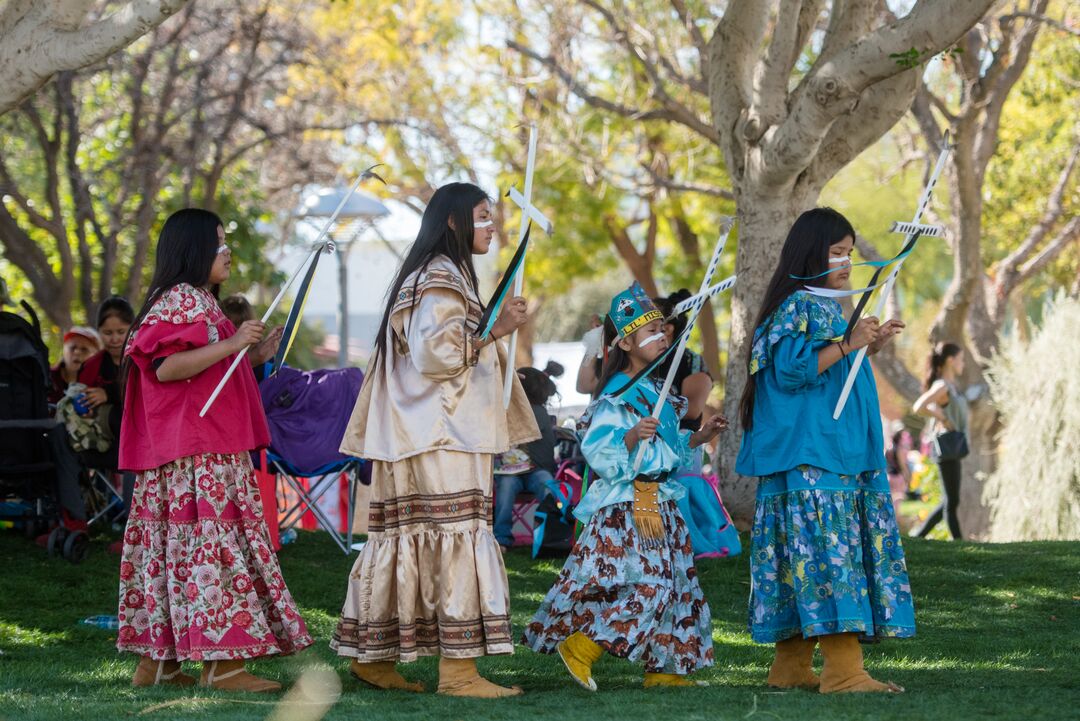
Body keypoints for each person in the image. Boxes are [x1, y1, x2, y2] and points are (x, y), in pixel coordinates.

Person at [330, 182, 538, 698]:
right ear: (453, 222)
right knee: (454, 537)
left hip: (422, 431)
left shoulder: (434, 276)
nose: (492, 227)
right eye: (484, 217)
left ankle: (374, 660)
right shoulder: (440, 278)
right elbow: (436, 356)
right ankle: (459, 672)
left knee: (405, 540)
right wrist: (495, 330)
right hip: (441, 435)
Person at [117, 208, 311, 691]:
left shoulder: (191, 300)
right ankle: (223, 666)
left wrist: (252, 353)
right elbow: (165, 368)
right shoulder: (182, 299)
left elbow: (204, 373)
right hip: (197, 457)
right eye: (219, 243)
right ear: (193, 250)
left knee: (178, 553)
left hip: (191, 451)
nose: (227, 252)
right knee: (211, 550)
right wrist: (232, 345)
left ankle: (158, 664)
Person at [736, 207, 913, 694]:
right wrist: (849, 341)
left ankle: (790, 667)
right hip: (812, 456)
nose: (845, 263)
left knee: (804, 556)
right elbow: (792, 371)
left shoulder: (824, 308)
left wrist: (862, 346)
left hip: (833, 453)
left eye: (850, 254)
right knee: (828, 555)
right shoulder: (797, 304)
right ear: (810, 253)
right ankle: (843, 671)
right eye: (837, 253)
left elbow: (826, 365)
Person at [523, 282, 727, 691]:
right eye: (649, 333)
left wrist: (698, 438)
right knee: (650, 584)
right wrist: (630, 437)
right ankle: (582, 647)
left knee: (678, 584)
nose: (660, 337)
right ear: (626, 343)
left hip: (659, 501)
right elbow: (600, 450)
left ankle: (666, 669)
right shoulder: (617, 394)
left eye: (662, 331)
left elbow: (666, 446)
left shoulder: (656, 390)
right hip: (628, 505)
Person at [493, 366, 559, 551]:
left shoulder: (535, 412)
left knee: (544, 483)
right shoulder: (537, 411)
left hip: (534, 471)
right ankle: (503, 538)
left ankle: (546, 535)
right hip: (517, 472)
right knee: (512, 484)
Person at [911, 342, 968, 540]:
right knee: (952, 501)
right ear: (950, 361)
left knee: (950, 500)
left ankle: (919, 535)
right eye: (961, 359)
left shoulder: (952, 386)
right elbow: (918, 407)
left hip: (954, 445)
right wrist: (943, 418)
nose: (963, 364)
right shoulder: (942, 385)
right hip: (946, 445)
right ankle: (959, 542)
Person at [49, 326, 102, 404]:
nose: (77, 352)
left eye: (84, 349)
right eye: (72, 347)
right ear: (63, 350)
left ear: (97, 355)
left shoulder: (101, 383)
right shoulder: (48, 377)